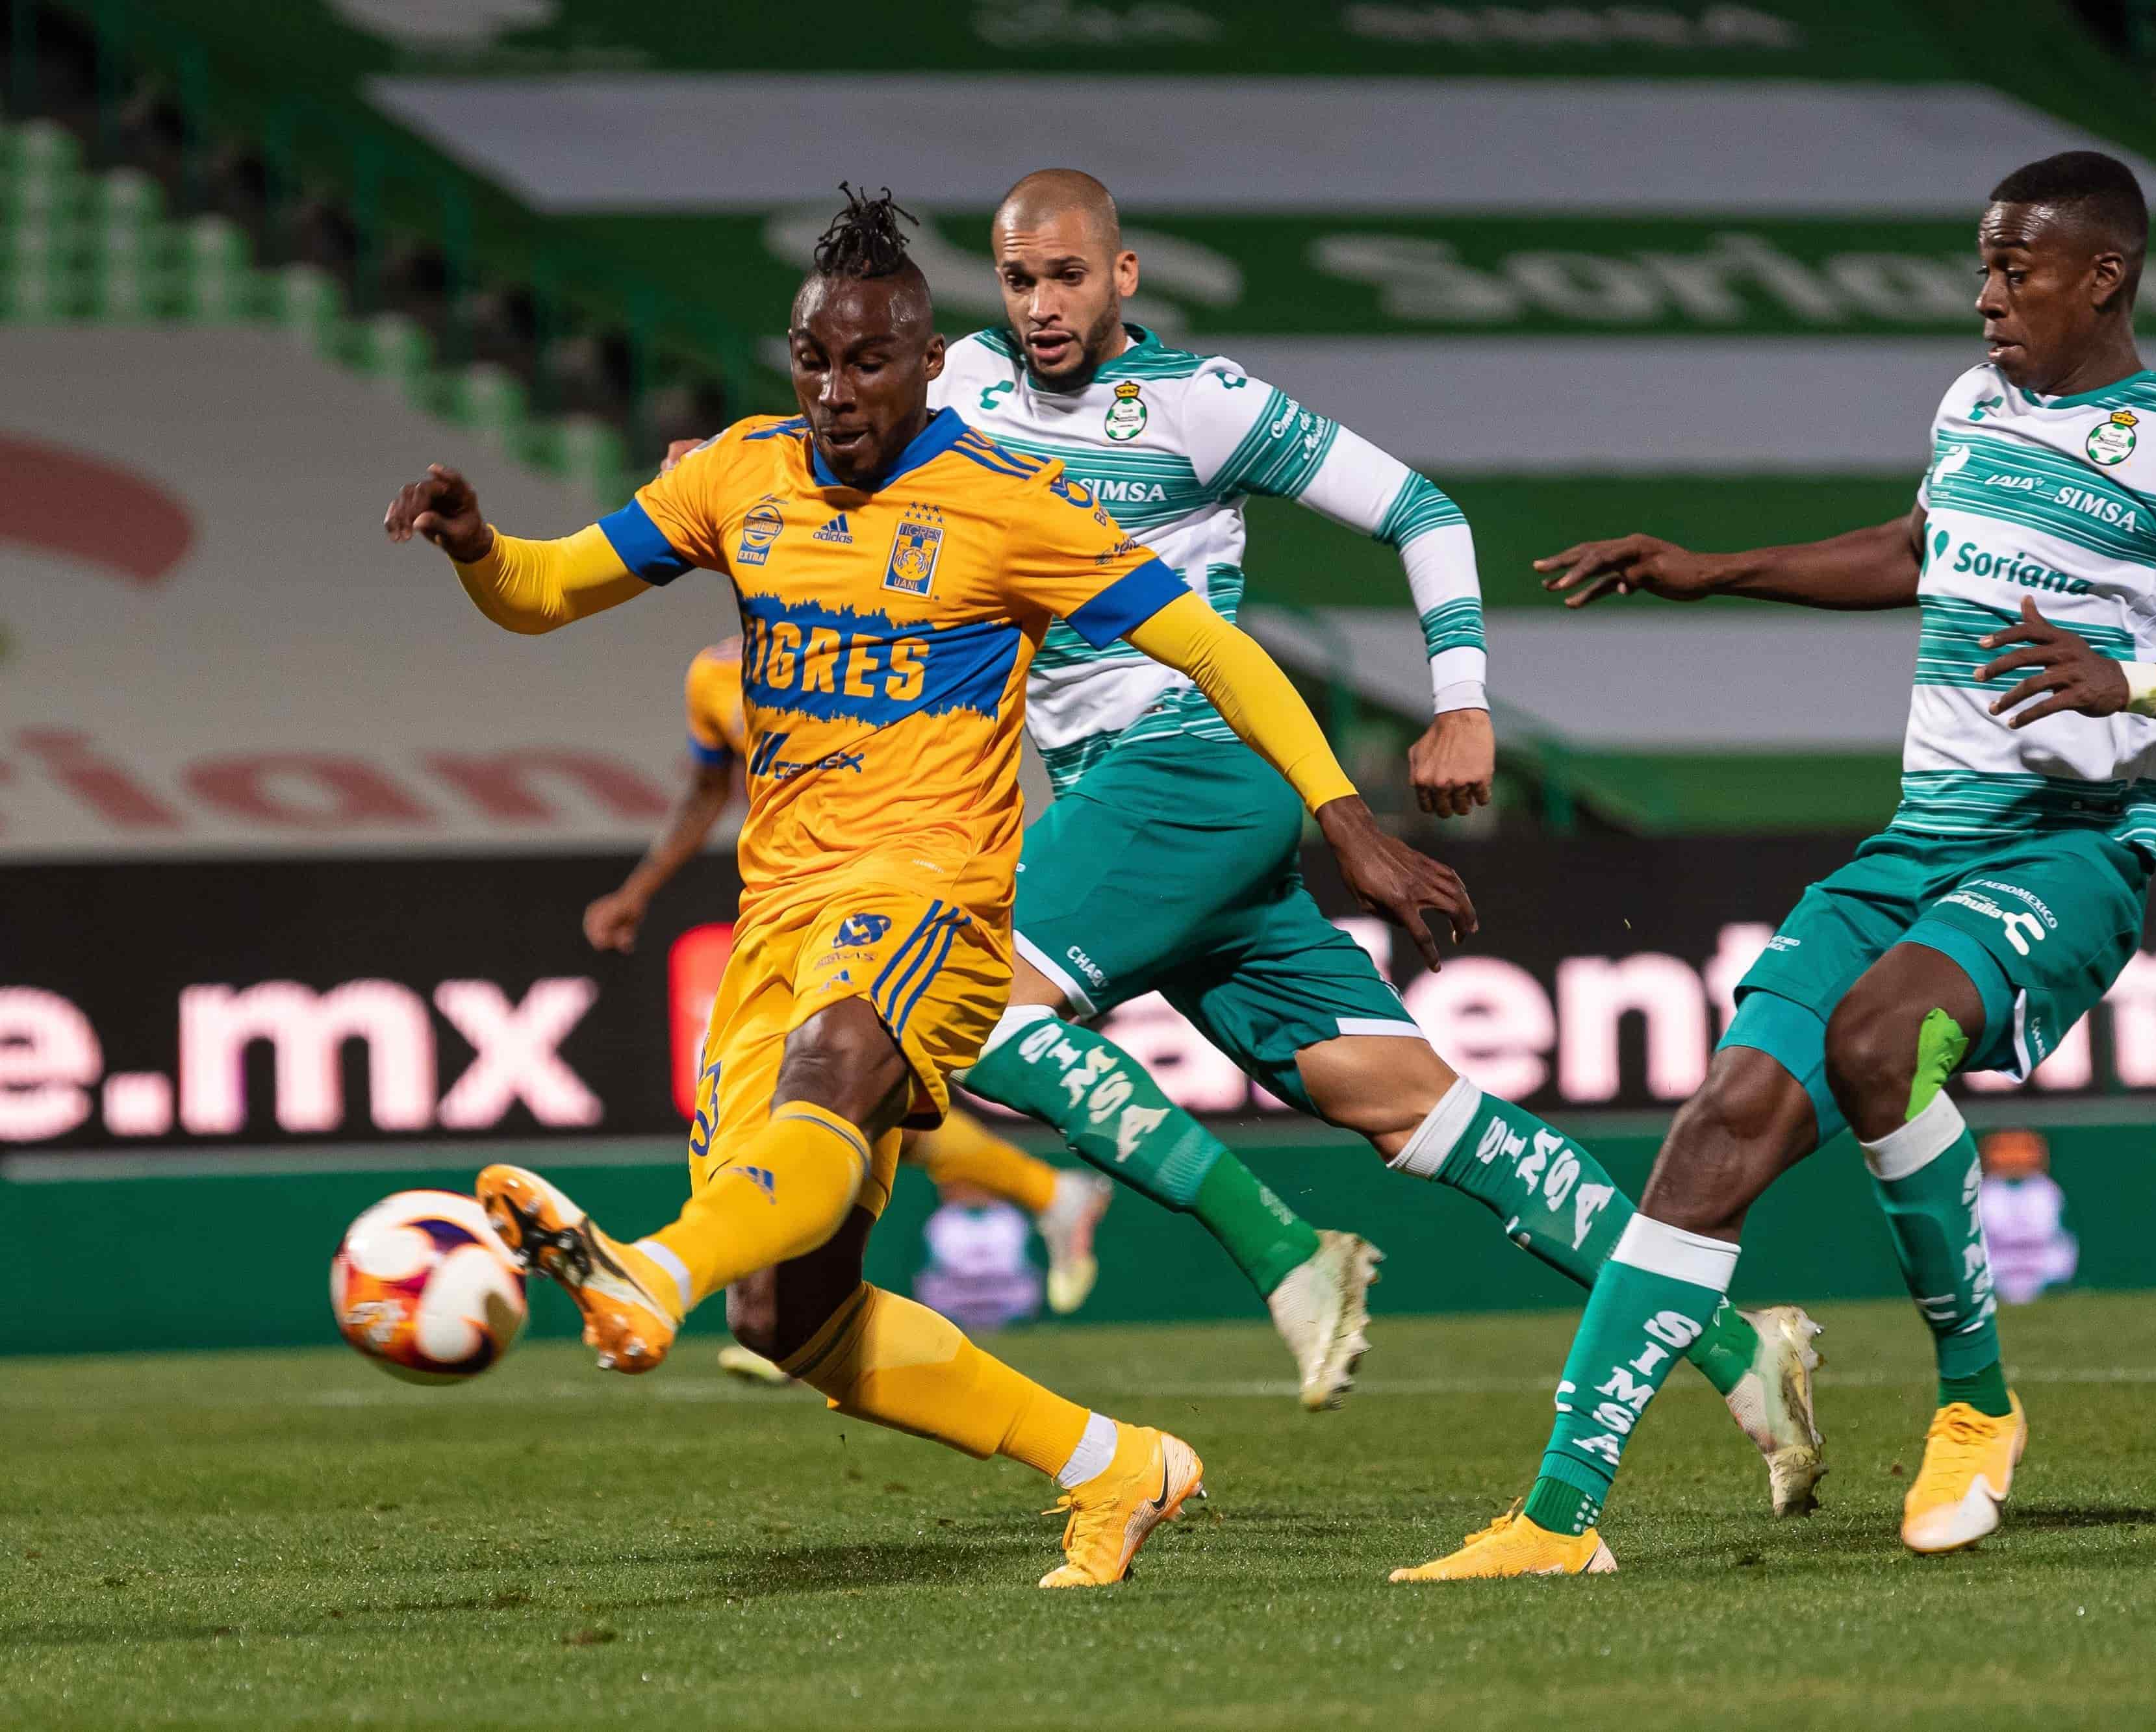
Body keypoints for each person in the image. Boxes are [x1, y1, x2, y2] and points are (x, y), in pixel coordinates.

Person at [381, 186, 1472, 1588]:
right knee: (790, 1314)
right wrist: (478, 545)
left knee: (839, 1062)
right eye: (814, 362)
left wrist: (1348, 822)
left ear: (927, 358)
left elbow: (1219, 652)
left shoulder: (1010, 509)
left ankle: (648, 1272)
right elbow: (547, 588)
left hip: (933, 899)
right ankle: (1114, 1465)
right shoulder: (736, 477)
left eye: (870, 362)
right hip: (777, 911)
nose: (838, 392)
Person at [809, 168, 1821, 1504]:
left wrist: (1460, 704)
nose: (1041, 305)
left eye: (1066, 276)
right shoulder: (963, 390)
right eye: (1016, 280)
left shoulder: (1204, 405)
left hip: (1190, 766)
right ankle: (1746, 1348)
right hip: (1138, 814)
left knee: (969, 996)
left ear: (1123, 277)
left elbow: (1424, 514)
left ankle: (1280, 1245)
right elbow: (843, 446)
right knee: (1419, 1109)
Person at [1398, 150, 2156, 1579]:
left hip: (2070, 848)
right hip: (1916, 839)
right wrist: (1715, 569)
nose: (1985, 298)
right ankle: (1554, 1521)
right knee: (1721, 1116)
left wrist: (2129, 682)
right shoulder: (1973, 406)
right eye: (1982, 267)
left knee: (1879, 1035)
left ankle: (1971, 1404)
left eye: (2014, 270)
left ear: (2103, 275)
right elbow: (1914, 548)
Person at [583, 636, 1116, 1375]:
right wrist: (639, 891)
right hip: (792, 903)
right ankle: (1048, 1196)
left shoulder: (880, 640)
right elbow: (709, 791)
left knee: (840, 1094)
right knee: (842, 1103)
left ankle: (771, 1283)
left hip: (905, 893)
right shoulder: (710, 675)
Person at [1977, 1129, 2077, 1305]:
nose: (2014, 1160)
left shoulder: (2046, 1191)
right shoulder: (1985, 1193)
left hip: (2039, 1262)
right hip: (1999, 1263)